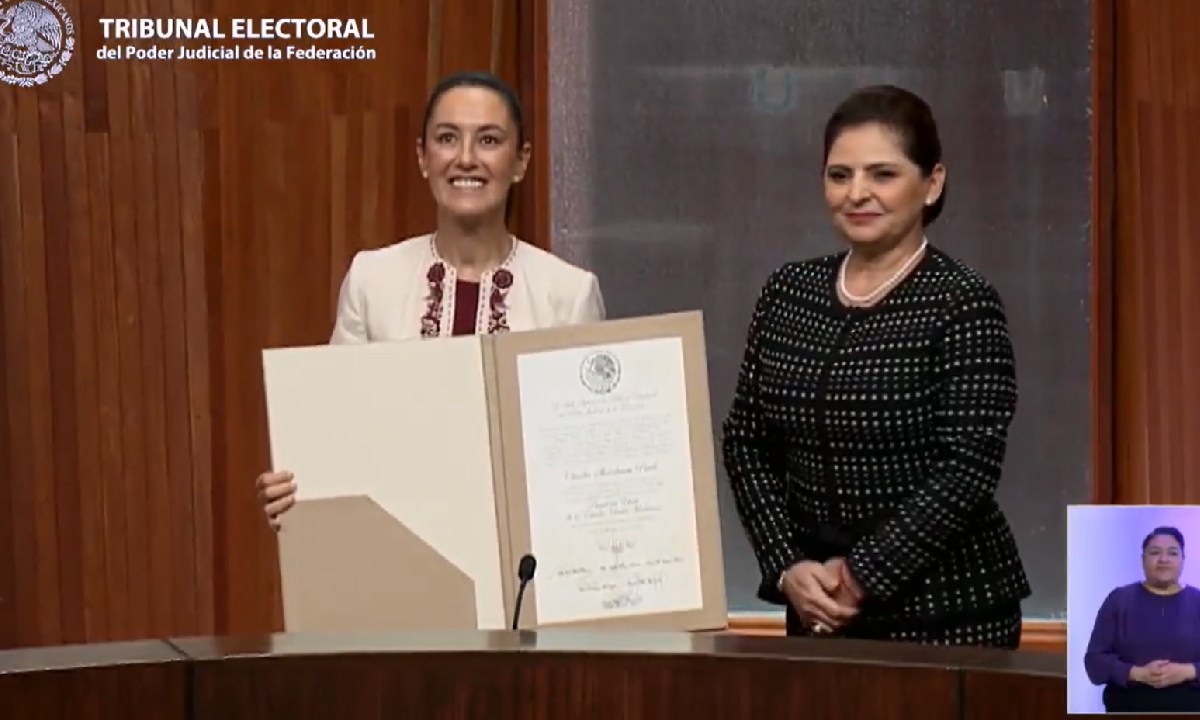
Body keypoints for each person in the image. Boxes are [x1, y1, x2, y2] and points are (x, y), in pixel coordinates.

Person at [721, 84, 1031, 648]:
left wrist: (861, 575)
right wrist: (787, 565)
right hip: (816, 606)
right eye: (839, 175)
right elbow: (746, 441)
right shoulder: (789, 291)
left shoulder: (963, 301)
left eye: (882, 175)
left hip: (950, 617)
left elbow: (968, 467)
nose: (857, 193)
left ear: (932, 182)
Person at [256, 71, 606, 528]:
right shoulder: (371, 280)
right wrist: (295, 488)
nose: (465, 159)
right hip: (396, 552)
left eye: (488, 140)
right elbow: (336, 436)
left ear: (520, 162)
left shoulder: (570, 294)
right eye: (447, 138)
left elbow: (590, 461)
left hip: (524, 559)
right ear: (423, 157)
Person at [1083, 527, 1200, 713]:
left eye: (1172, 553)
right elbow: (1094, 663)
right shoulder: (1119, 600)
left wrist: (1188, 671)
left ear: (1183, 560)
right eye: (1155, 552)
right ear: (1143, 559)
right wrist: (1137, 674)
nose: (1163, 559)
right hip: (1128, 708)